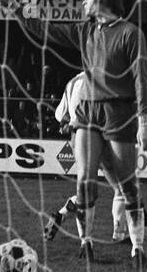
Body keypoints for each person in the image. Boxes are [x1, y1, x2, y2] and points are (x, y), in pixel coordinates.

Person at [0, 0, 147, 271]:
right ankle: (86, 242)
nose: (83, 2)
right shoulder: (84, 31)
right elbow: (44, 30)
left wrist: (145, 121)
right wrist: (14, 7)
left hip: (119, 112)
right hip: (87, 111)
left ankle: (138, 247)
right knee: (84, 179)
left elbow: (141, 78)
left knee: (127, 185)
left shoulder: (131, 33)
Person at [43, 71, 132, 244]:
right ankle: (119, 234)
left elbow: (60, 115)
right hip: (102, 137)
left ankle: (62, 215)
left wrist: (69, 124)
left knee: (87, 189)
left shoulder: (72, 81)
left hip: (79, 139)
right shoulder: (107, 77)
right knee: (120, 187)